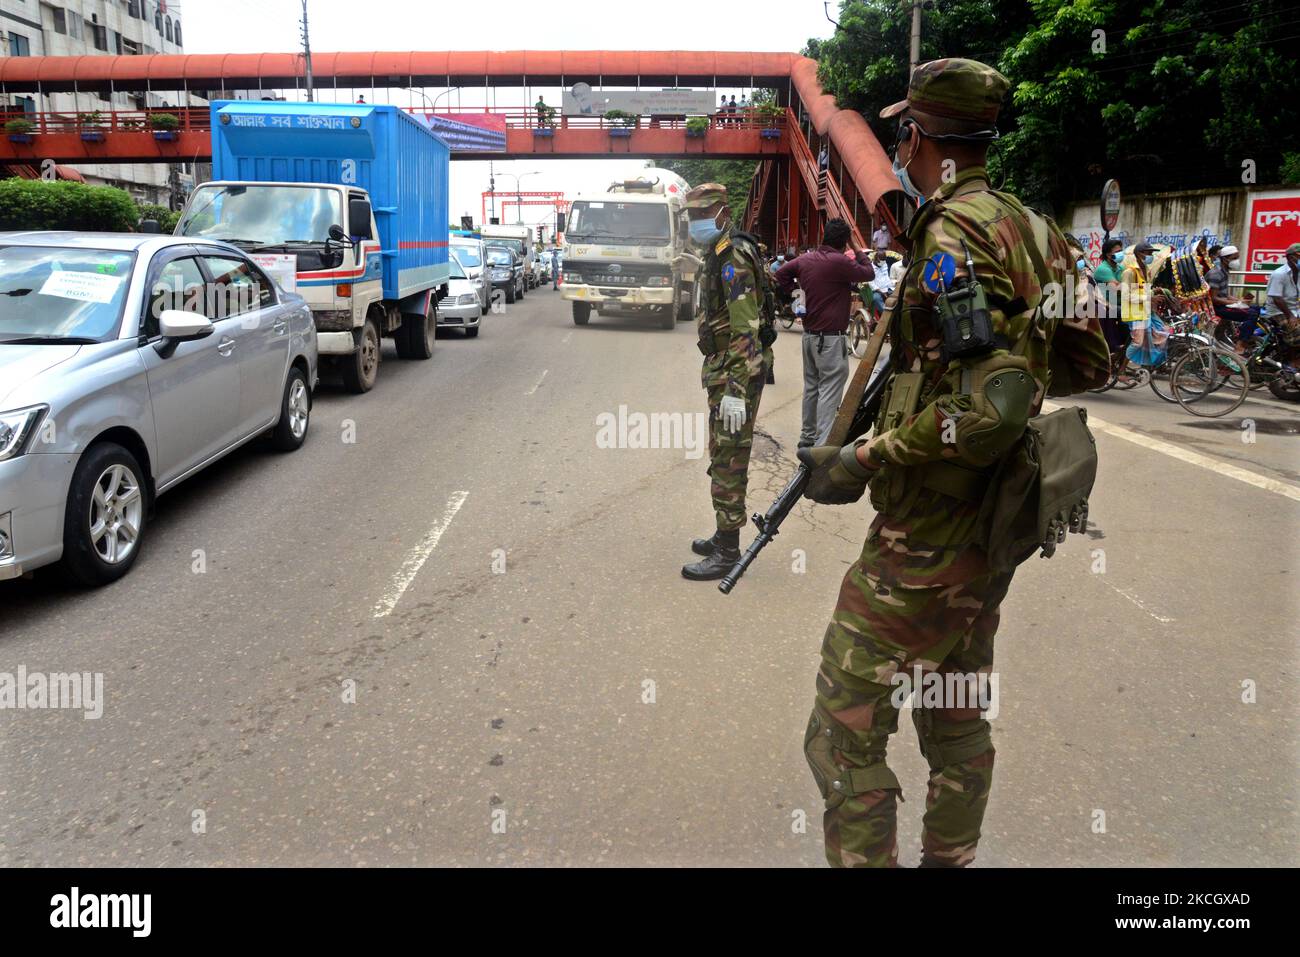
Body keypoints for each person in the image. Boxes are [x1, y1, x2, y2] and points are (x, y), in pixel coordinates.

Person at [794, 58, 1109, 868]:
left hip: (927, 533)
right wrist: (1015, 353)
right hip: (993, 524)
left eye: (905, 134)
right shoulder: (1037, 228)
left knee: (842, 730)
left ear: (921, 138)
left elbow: (990, 409)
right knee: (957, 711)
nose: (899, 147)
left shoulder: (951, 233)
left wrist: (867, 451)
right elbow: (1091, 360)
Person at [681, 183, 775, 581]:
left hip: (737, 371)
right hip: (728, 369)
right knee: (723, 451)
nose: (697, 223)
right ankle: (724, 532)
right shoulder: (719, 250)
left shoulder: (733, 254)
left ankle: (728, 550)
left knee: (729, 458)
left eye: (703, 215)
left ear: (723, 212)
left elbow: (746, 326)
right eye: (692, 216)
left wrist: (736, 391)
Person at [776, 219, 874, 448]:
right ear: (844, 241)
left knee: (812, 388)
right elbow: (869, 273)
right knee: (830, 389)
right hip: (830, 339)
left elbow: (780, 275)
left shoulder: (805, 259)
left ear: (825, 236)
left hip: (809, 337)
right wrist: (857, 248)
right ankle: (821, 445)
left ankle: (807, 437)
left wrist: (798, 296)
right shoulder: (840, 262)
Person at [1263, 241, 1300, 333]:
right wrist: (1290, 316)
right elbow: (1277, 298)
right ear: (1291, 258)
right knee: (1296, 332)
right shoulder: (1279, 274)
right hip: (1278, 312)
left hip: (1295, 310)